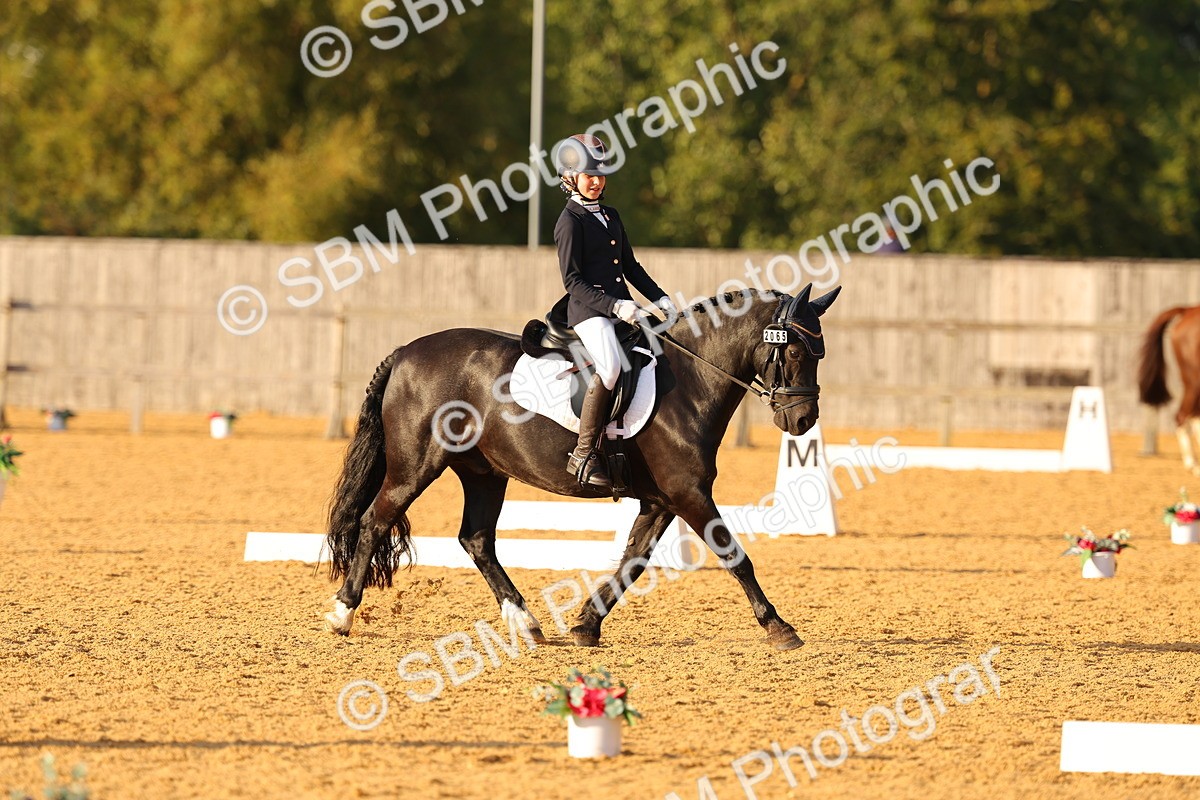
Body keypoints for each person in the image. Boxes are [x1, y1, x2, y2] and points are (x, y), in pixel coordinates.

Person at [552, 133, 677, 490]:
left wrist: (659, 298)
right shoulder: (569, 221)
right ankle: (584, 453)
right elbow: (572, 281)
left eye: (600, 175)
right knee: (609, 368)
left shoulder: (610, 215)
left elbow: (630, 267)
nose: (596, 181)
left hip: (623, 308)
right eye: (588, 175)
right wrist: (614, 305)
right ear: (570, 177)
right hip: (589, 313)